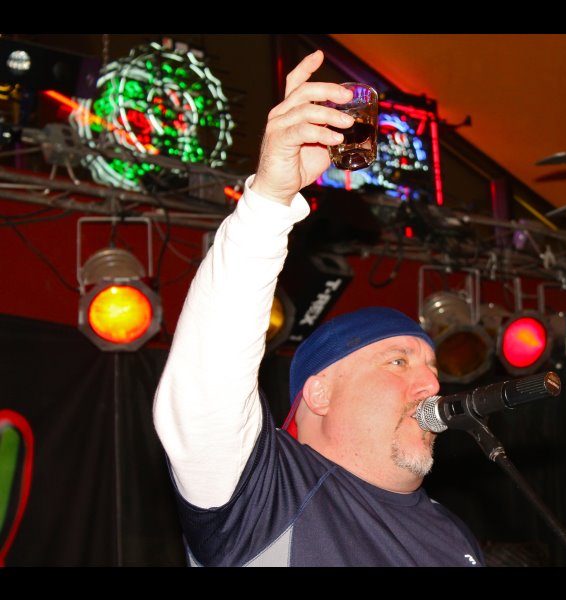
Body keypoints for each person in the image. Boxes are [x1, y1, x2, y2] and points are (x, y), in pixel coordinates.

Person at [153, 49, 484, 567]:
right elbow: (204, 388)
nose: (431, 385)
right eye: (398, 361)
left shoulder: (452, 535)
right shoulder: (266, 496)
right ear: (320, 392)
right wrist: (269, 199)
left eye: (432, 369)